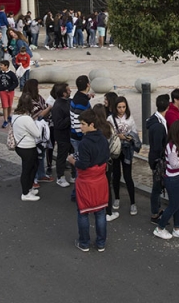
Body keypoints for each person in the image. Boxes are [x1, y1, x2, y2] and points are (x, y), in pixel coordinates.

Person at [68, 108, 110, 252]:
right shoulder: (104, 139)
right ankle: (101, 243)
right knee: (100, 212)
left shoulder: (85, 143)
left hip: (86, 182)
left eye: (83, 124)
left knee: (83, 212)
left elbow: (83, 164)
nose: (81, 127)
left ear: (91, 124)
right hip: (101, 180)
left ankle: (84, 243)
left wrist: (72, 160)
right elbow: (106, 158)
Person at [109, 96, 141, 215]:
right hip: (116, 150)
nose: (121, 110)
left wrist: (128, 137)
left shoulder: (130, 118)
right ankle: (117, 198)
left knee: (128, 176)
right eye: (119, 107)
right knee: (116, 175)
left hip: (127, 150)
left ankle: (133, 203)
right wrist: (117, 136)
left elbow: (135, 133)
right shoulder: (111, 119)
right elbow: (108, 134)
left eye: (124, 107)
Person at [11, 94, 41, 201]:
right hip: (27, 147)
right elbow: (37, 133)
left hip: (20, 146)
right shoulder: (26, 119)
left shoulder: (15, 115)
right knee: (27, 170)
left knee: (32, 166)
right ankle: (25, 193)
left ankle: (29, 188)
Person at [146, 94, 169, 224]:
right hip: (158, 161)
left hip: (155, 159)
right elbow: (157, 147)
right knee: (156, 187)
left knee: (158, 186)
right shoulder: (159, 126)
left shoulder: (155, 120)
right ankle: (155, 213)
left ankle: (157, 209)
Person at [51, 83, 73, 188]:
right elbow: (58, 124)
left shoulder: (69, 101)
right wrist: (70, 117)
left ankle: (73, 175)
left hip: (70, 134)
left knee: (73, 154)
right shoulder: (58, 106)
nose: (70, 91)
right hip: (62, 136)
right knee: (62, 156)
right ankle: (60, 177)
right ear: (64, 93)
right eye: (68, 90)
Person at [0, 59, 18, 128]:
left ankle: (8, 115)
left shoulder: (11, 74)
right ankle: (5, 120)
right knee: (5, 106)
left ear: (6, 66)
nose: (0, 66)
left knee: (9, 105)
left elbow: (16, 82)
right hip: (2, 91)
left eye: (2, 65)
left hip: (10, 92)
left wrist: (11, 88)